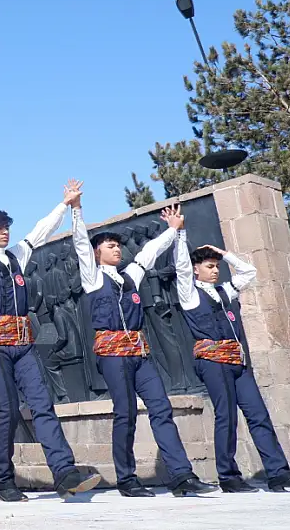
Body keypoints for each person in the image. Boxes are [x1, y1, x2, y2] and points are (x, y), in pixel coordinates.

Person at [0, 177, 100, 502]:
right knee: (8, 410)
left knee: (43, 405)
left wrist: (66, 203)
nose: (5, 231)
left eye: (6, 226)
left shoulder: (18, 256)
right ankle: (5, 481)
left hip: (22, 345)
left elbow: (41, 230)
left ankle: (65, 473)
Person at [71, 200, 216, 497]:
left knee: (161, 408)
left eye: (117, 246)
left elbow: (148, 254)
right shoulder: (93, 278)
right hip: (112, 354)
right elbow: (81, 246)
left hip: (139, 354)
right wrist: (76, 210)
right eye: (110, 246)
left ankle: (181, 476)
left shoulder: (130, 277)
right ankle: (127, 479)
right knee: (125, 413)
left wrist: (173, 231)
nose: (116, 250)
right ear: (98, 253)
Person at [173, 230, 290, 493]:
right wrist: (180, 234)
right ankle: (228, 476)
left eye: (217, 267)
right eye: (209, 266)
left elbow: (249, 272)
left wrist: (225, 254)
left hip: (238, 362)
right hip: (213, 361)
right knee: (226, 416)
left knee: (258, 414)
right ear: (196, 270)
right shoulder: (190, 294)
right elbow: (181, 268)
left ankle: (278, 473)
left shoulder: (226, 290)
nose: (215, 271)